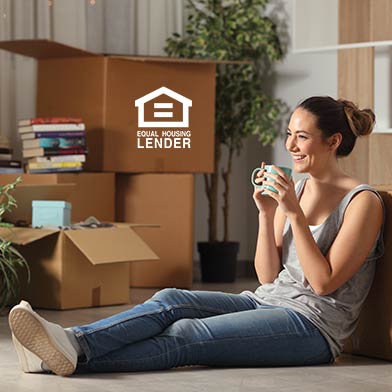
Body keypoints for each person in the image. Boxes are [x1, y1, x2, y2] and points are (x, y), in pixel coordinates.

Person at [8, 96, 385, 376]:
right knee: (172, 299)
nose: (290, 146)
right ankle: (70, 343)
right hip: (267, 301)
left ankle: (56, 355)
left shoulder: (362, 202)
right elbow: (268, 277)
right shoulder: (299, 191)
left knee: (187, 334)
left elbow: (321, 283)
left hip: (313, 328)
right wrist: (265, 213)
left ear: (333, 142)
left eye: (302, 137)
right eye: (289, 134)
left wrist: (292, 214)